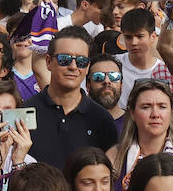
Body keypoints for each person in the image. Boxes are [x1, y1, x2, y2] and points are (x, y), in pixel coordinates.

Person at [24, 26, 117, 170]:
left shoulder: (102, 119)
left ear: (87, 67)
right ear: (48, 62)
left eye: (81, 61)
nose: (73, 67)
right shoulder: (25, 113)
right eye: (64, 59)